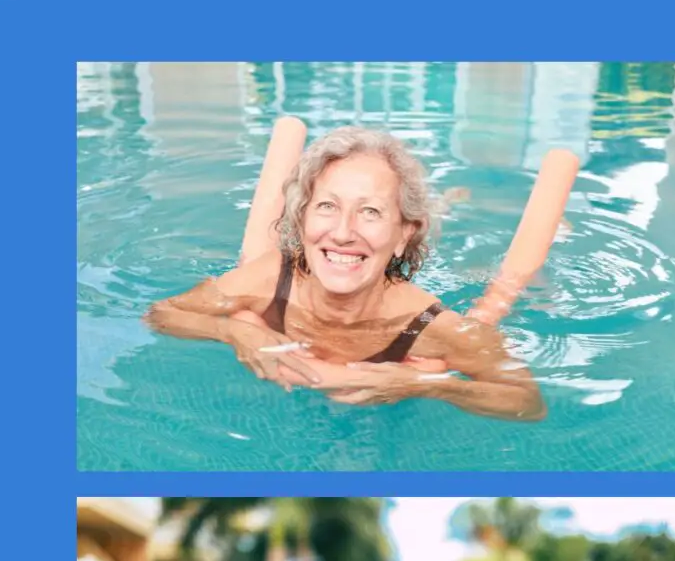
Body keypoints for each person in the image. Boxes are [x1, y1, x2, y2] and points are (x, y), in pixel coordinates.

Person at [145, 124, 546, 421]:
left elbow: (527, 403)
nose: (341, 232)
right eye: (327, 206)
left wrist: (427, 385)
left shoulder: (433, 328)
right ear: (302, 221)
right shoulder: (268, 279)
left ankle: (446, 203)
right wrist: (233, 331)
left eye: (370, 211)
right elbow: (161, 314)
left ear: (404, 234)